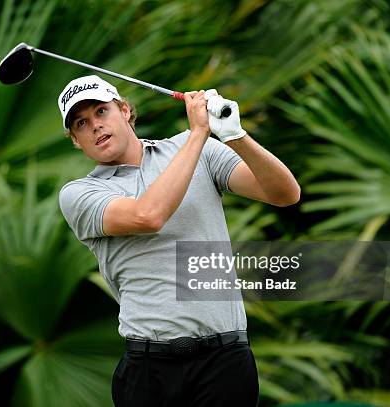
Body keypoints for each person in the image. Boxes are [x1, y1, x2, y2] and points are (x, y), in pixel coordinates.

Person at [57, 75, 300, 406]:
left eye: (101, 112)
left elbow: (284, 193)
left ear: (125, 110)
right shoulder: (80, 194)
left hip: (225, 360)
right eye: (82, 123)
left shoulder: (198, 150)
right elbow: (148, 216)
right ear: (75, 140)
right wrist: (199, 133)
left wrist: (234, 135)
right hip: (149, 368)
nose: (95, 126)